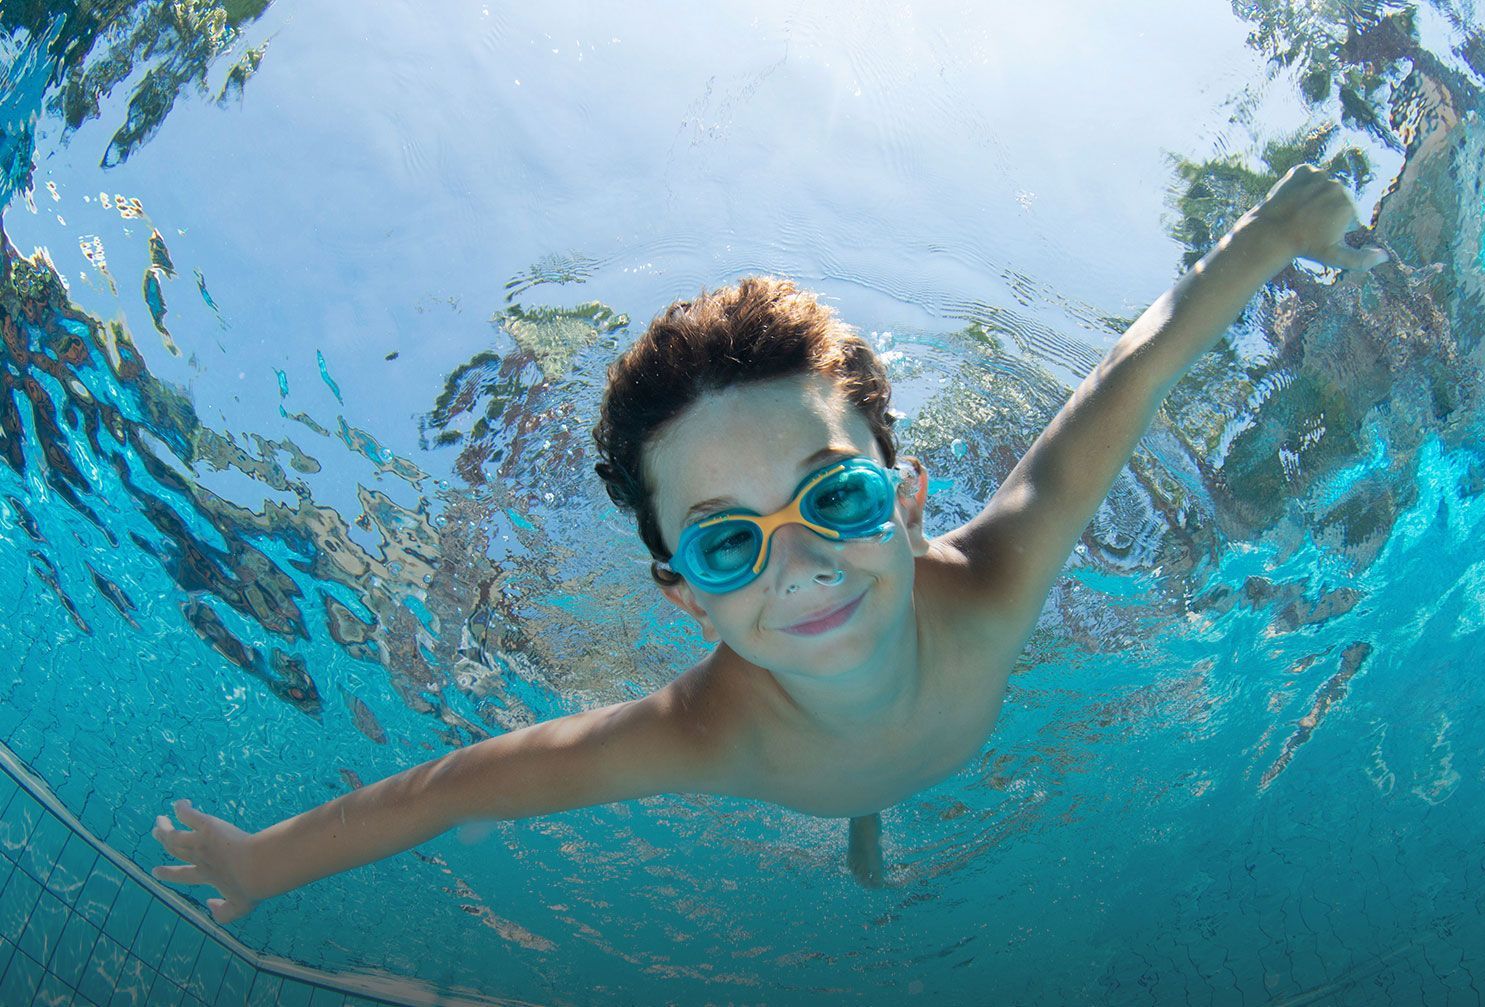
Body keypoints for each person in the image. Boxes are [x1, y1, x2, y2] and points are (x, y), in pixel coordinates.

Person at [151, 164, 1384, 922]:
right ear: (683, 593)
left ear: (905, 503)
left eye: (835, 499)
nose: (797, 564)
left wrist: (1267, 235)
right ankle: (861, 824)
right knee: (863, 815)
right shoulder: (702, 732)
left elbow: (1132, 374)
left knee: (870, 803)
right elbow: (458, 786)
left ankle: (864, 821)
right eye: (729, 545)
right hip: (832, 766)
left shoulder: (998, 580)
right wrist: (267, 859)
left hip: (919, 732)